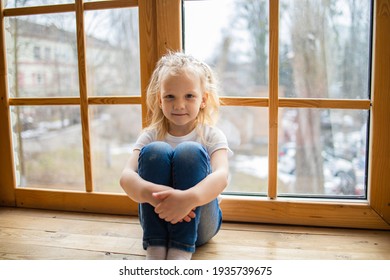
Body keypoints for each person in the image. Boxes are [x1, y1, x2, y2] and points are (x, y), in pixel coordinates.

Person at [120, 51, 231, 260]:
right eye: (170, 96)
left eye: (189, 96)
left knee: (189, 151)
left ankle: (181, 251)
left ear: (203, 99)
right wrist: (155, 193)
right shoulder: (150, 136)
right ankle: (156, 248)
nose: (179, 105)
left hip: (200, 226)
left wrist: (187, 199)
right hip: (157, 224)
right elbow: (126, 177)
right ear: (160, 101)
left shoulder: (211, 135)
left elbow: (221, 176)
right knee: (155, 151)